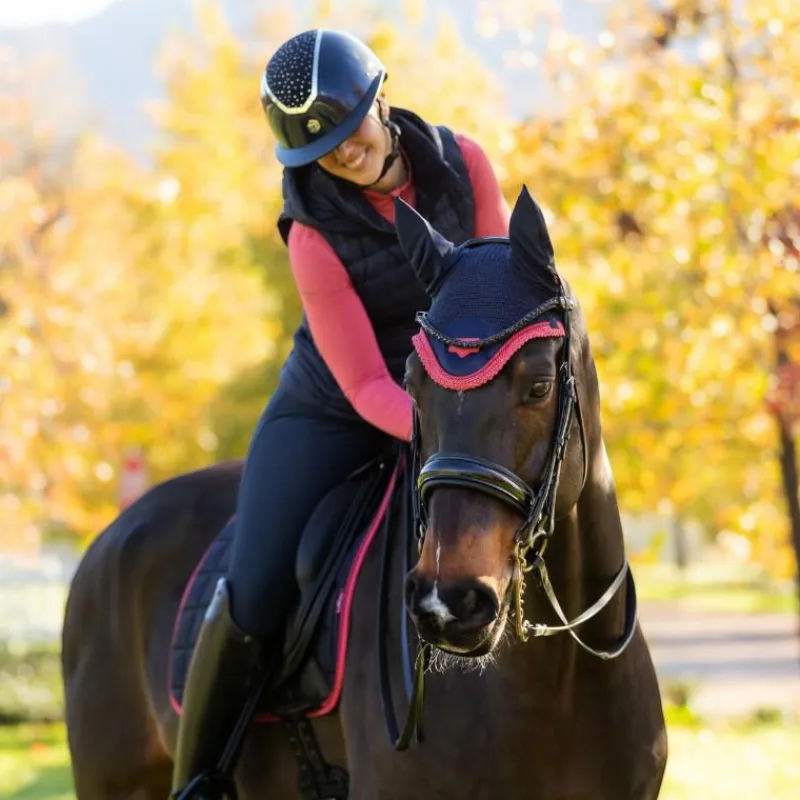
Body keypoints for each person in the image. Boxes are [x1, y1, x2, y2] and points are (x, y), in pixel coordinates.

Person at [170, 27, 511, 799]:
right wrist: (447, 432)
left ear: (379, 97)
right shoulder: (313, 233)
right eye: (316, 150)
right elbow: (364, 390)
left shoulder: (467, 163)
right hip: (334, 410)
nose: (341, 154)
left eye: (347, 129)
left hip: (456, 390)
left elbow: (499, 299)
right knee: (255, 582)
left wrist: (474, 417)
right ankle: (201, 776)